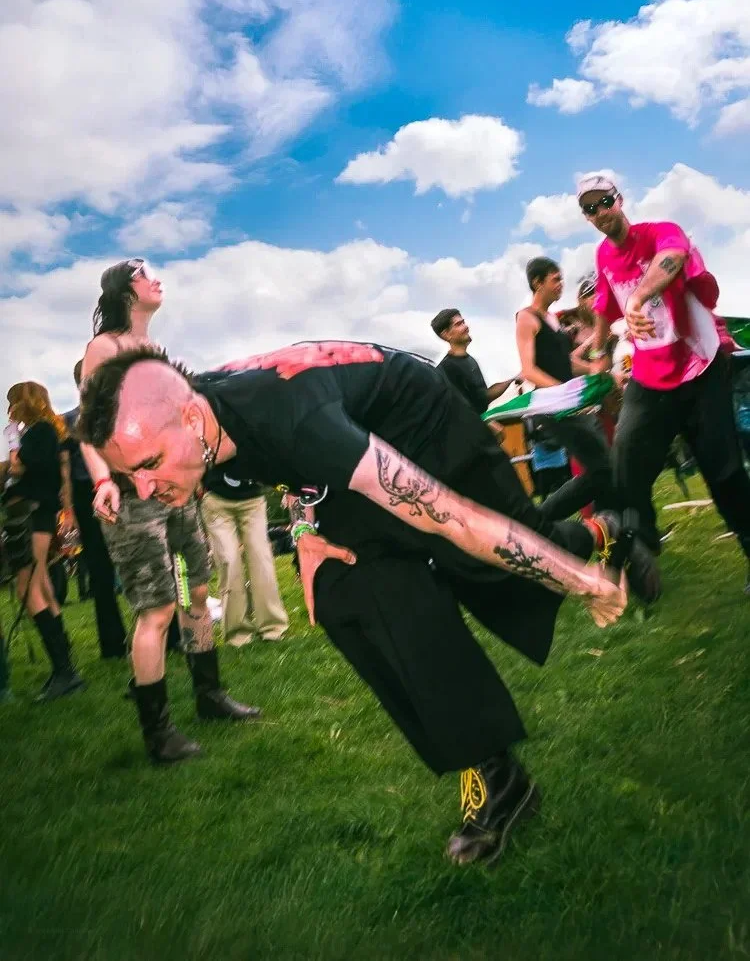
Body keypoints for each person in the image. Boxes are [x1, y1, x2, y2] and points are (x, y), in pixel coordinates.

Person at [77, 340, 657, 866]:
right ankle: (497, 774)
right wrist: (306, 534)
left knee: (502, 551)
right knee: (343, 591)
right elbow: (287, 472)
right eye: (130, 475)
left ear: (189, 415)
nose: (145, 490)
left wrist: (576, 580)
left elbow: (452, 516)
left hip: (423, 424)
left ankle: (610, 532)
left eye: (149, 464)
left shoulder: (292, 421)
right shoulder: (206, 425)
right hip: (351, 443)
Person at [80, 259, 259, 764]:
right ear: (125, 291)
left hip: (176, 496)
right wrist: (101, 482)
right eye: (144, 273)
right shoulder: (105, 349)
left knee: (194, 592)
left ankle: (209, 695)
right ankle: (158, 734)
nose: (156, 278)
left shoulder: (155, 352)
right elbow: (91, 429)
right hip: (132, 496)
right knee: (157, 609)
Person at [579, 172, 750, 590]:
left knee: (724, 471)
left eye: (605, 202)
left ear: (620, 199)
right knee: (624, 464)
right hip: (650, 379)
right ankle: (638, 547)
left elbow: (670, 260)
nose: (601, 212)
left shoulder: (660, 232)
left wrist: (638, 296)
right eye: (590, 208)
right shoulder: (603, 256)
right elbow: (603, 304)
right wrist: (599, 351)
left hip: (699, 367)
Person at [515, 258, 620, 522]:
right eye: (555, 279)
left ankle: (612, 534)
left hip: (572, 406)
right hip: (553, 409)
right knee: (601, 469)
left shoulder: (553, 319)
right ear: (538, 282)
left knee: (604, 469)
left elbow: (567, 363)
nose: (561, 285)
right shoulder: (526, 318)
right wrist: (568, 395)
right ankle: (538, 522)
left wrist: (597, 372)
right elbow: (528, 370)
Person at [3, 382, 84, 700]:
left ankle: (65, 672)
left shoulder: (38, 432)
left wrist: (12, 446)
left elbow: (19, 466)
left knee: (29, 587)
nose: (9, 409)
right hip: (37, 513)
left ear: (25, 402)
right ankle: (65, 667)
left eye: (12, 402)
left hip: (33, 514)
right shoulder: (48, 432)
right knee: (44, 588)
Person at [62, 360, 128, 659]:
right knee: (105, 571)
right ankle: (115, 644)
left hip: (106, 490)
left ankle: (115, 645)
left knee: (105, 571)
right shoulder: (70, 421)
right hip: (91, 493)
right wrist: (69, 511)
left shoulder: (108, 415)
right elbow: (64, 470)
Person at [201, 466, 288, 646]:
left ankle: (273, 629)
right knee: (230, 564)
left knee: (262, 563)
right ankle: (237, 635)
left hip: (253, 500)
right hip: (216, 500)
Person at [431, 309, 519, 414]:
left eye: (463, 322)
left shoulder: (470, 360)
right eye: (458, 324)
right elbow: (460, 409)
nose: (466, 327)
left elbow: (484, 397)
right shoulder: (447, 369)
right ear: (446, 334)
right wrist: (488, 423)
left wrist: (515, 378)